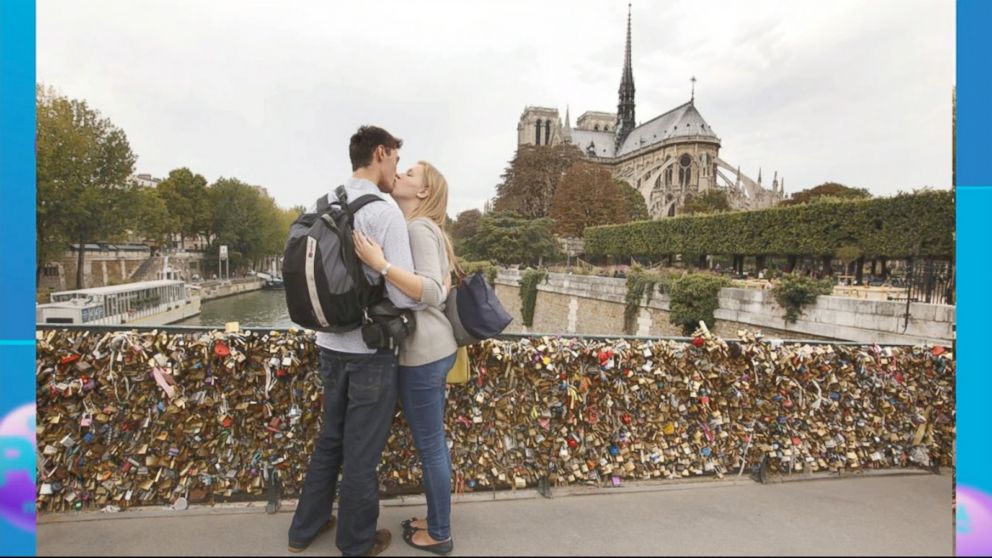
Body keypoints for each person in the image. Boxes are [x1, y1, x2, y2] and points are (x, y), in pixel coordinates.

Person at [287, 125, 421, 557]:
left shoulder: (321, 202)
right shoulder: (383, 213)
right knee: (361, 453)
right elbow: (402, 295)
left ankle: (303, 529)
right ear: (381, 153)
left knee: (330, 439)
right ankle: (357, 542)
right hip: (369, 351)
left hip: (330, 345)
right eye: (396, 160)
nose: (396, 169)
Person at [353, 160, 459, 555]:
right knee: (431, 442)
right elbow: (442, 288)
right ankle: (434, 519)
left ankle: (441, 533)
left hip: (424, 354)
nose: (400, 175)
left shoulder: (416, 228)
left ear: (423, 193)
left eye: (411, 174)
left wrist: (379, 264)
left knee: (431, 445)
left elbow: (431, 291)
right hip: (436, 348)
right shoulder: (427, 228)